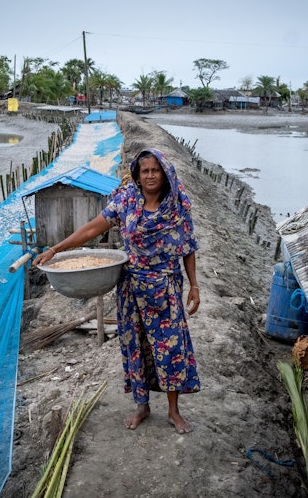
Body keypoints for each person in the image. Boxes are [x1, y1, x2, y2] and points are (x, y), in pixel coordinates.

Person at [34, 148, 201, 434]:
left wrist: (195, 285)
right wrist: (55, 249)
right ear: (137, 174)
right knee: (135, 347)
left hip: (166, 290)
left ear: (165, 174)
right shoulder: (125, 201)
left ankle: (174, 411)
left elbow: (187, 249)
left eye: (155, 170)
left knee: (170, 348)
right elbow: (91, 229)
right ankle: (142, 405)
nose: (150, 175)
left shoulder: (176, 208)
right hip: (131, 289)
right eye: (144, 170)